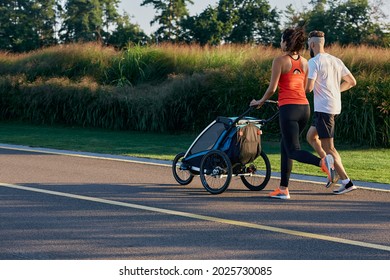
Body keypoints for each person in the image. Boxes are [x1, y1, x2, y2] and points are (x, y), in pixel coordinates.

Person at [250, 27, 335, 200]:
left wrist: (260, 101)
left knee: (294, 150)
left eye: (282, 39)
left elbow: (272, 88)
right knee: (286, 147)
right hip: (304, 108)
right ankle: (283, 189)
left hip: (289, 109)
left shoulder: (279, 60)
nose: (280, 43)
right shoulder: (304, 62)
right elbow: (303, 88)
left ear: (287, 42)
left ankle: (323, 162)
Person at [305, 30, 357, 195]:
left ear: (312, 44)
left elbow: (309, 88)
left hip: (324, 110)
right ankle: (329, 165)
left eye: (308, 44)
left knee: (329, 147)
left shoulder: (313, 62)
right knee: (311, 137)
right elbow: (352, 82)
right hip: (331, 107)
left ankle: (346, 182)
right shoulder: (336, 60)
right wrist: (336, 91)